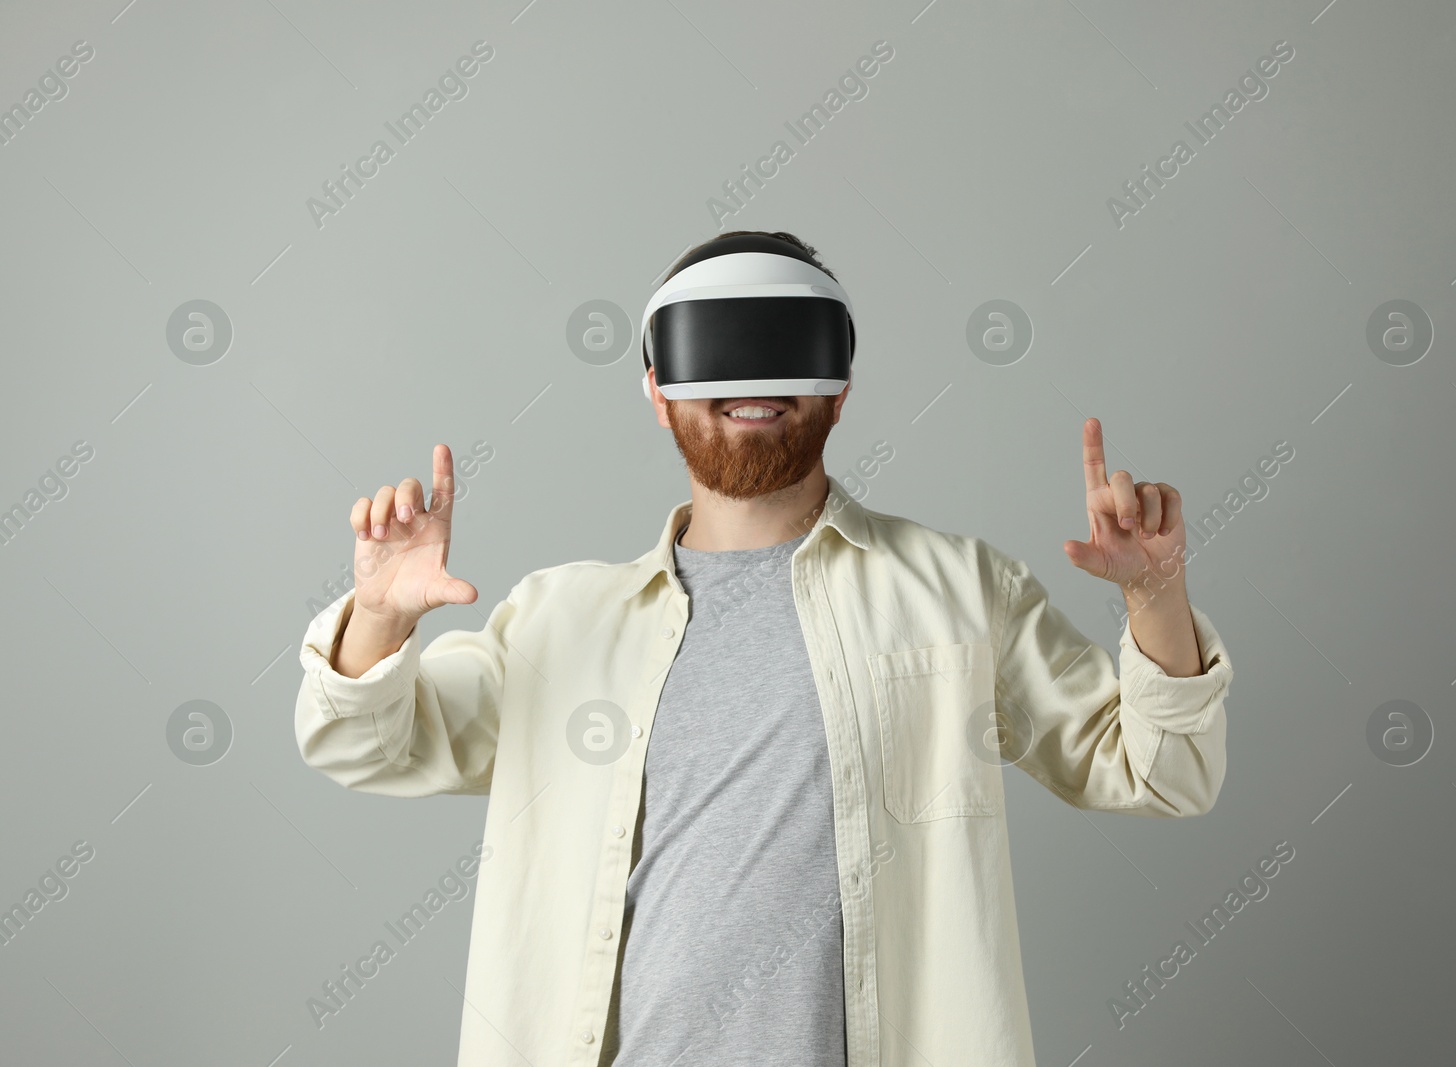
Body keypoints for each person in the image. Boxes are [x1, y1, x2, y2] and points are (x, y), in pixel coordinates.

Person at [293, 230, 1233, 1067]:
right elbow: (361, 742)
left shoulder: (960, 593)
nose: (752, 384)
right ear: (658, 392)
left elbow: (1164, 774)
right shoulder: (556, 621)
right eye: (718, 352)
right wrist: (379, 616)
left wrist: (1156, 595)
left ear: (840, 384)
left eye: (786, 348)